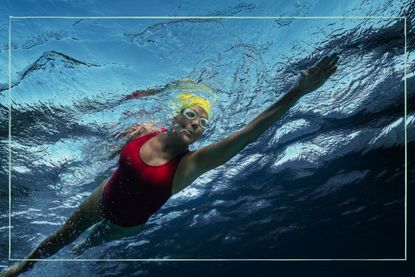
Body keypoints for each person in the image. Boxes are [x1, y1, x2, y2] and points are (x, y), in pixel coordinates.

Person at [1, 53, 338, 276]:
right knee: (62, 234)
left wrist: (297, 92)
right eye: (191, 114)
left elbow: (249, 133)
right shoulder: (147, 130)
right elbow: (117, 146)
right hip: (100, 197)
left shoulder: (193, 163)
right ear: (176, 115)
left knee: (82, 246)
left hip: (126, 224)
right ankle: (22, 269)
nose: (196, 124)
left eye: (202, 124)